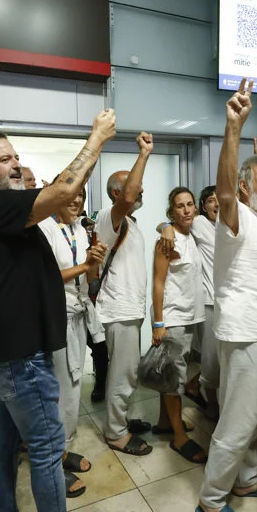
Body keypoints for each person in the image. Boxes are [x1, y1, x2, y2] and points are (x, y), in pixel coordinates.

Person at [0, 109, 116, 512]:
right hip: (18, 356)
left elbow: (66, 193)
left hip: (5, 352)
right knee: (46, 450)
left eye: (16, 157)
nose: (17, 165)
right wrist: (96, 139)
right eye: (5, 159)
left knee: (6, 445)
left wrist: (93, 153)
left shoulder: (0, 212)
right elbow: (62, 192)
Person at [197, 79, 257, 512]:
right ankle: (211, 501)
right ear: (246, 187)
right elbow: (226, 190)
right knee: (236, 421)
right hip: (243, 330)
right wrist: (232, 127)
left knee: (255, 414)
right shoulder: (234, 217)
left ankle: (247, 479)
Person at [38, 186, 108, 497]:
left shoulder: (79, 229)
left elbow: (88, 278)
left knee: (75, 384)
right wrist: (85, 266)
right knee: (60, 388)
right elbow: (46, 277)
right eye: (71, 196)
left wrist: (95, 264)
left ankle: (63, 450)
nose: (77, 201)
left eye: (81, 196)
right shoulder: (44, 229)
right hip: (56, 317)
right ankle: (53, 461)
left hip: (79, 314)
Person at [96, 133, 156, 457]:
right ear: (117, 194)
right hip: (119, 312)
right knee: (123, 373)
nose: (141, 188)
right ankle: (116, 432)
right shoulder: (110, 218)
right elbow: (129, 196)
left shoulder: (130, 223)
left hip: (129, 311)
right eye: (133, 185)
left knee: (127, 371)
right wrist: (143, 156)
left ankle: (123, 419)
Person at [151, 186, 208, 464]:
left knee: (176, 373)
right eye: (179, 206)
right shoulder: (167, 242)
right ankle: (178, 436)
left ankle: (165, 422)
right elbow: (158, 281)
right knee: (175, 378)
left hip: (192, 316)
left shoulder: (194, 233)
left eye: (189, 204)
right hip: (174, 318)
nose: (186, 210)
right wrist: (158, 322)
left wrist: (167, 227)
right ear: (171, 211)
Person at [159, 184, 220, 421]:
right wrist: (165, 227)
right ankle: (210, 404)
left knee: (215, 357)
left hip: (228, 302)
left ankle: (194, 387)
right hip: (205, 302)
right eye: (211, 201)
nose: (216, 204)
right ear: (203, 207)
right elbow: (170, 224)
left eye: (219, 200)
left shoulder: (231, 225)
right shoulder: (199, 224)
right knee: (209, 358)